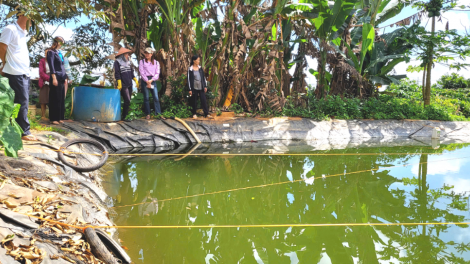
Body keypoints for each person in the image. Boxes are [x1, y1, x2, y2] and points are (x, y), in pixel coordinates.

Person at [0, 13, 38, 141]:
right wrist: (5, 64)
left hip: (24, 72)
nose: (32, 21)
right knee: (22, 102)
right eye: (31, 17)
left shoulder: (23, 33)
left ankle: (16, 129)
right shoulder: (10, 29)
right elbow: (2, 47)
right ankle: (24, 132)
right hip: (14, 71)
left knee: (21, 102)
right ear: (22, 15)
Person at [47, 36, 67, 125]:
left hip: (62, 77)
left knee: (60, 98)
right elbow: (51, 66)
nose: (62, 44)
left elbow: (62, 66)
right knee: (55, 98)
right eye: (61, 42)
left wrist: (65, 77)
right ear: (57, 42)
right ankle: (53, 118)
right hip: (56, 77)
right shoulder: (50, 52)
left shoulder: (59, 53)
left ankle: (59, 117)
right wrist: (54, 78)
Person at [114, 47, 138, 121]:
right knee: (127, 100)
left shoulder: (128, 62)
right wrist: (119, 83)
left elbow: (131, 73)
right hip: (123, 84)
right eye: (127, 54)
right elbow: (117, 73)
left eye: (128, 53)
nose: (128, 55)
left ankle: (124, 116)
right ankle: (123, 116)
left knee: (128, 100)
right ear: (122, 54)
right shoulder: (117, 62)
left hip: (129, 84)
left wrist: (135, 80)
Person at [139, 47, 164, 120]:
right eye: (145, 53)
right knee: (146, 98)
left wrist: (151, 80)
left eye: (148, 53)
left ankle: (158, 113)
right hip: (145, 80)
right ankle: (147, 114)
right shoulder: (142, 62)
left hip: (153, 80)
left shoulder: (156, 62)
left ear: (151, 54)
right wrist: (147, 81)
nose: (146, 54)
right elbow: (142, 72)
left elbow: (157, 73)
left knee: (156, 97)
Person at [187, 55, 213, 119]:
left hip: (201, 86)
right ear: (194, 61)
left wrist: (205, 86)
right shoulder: (190, 69)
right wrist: (190, 89)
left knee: (203, 100)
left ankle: (206, 114)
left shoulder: (200, 68)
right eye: (198, 60)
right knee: (194, 100)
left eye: (199, 60)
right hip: (194, 87)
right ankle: (194, 114)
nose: (199, 61)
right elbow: (189, 80)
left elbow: (203, 78)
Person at [38, 48, 50, 121]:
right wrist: (49, 79)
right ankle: (43, 116)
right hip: (44, 80)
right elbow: (41, 72)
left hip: (53, 80)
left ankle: (52, 116)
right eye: (45, 53)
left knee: (52, 99)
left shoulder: (54, 61)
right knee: (43, 98)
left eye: (48, 53)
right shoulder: (42, 61)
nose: (46, 55)